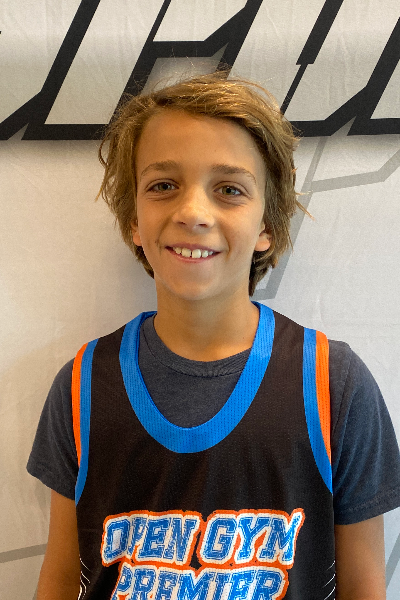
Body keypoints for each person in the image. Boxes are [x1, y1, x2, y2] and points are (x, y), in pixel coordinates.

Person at [27, 71, 400, 600]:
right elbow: (62, 579)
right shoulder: (83, 386)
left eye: (229, 190)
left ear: (267, 224)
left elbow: (364, 587)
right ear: (133, 219)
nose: (193, 213)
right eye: (163, 185)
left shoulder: (333, 385)